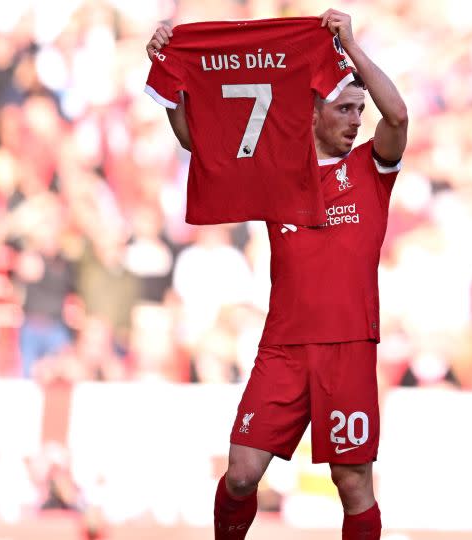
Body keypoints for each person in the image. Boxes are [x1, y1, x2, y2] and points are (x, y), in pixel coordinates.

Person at [147, 9, 408, 540]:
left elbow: (398, 118)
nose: (357, 119)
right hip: (283, 347)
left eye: (360, 109)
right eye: (345, 108)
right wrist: (169, 73)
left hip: (350, 345)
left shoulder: (370, 169)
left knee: (352, 481)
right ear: (312, 111)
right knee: (242, 475)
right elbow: (198, 142)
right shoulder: (277, 164)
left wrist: (352, 49)